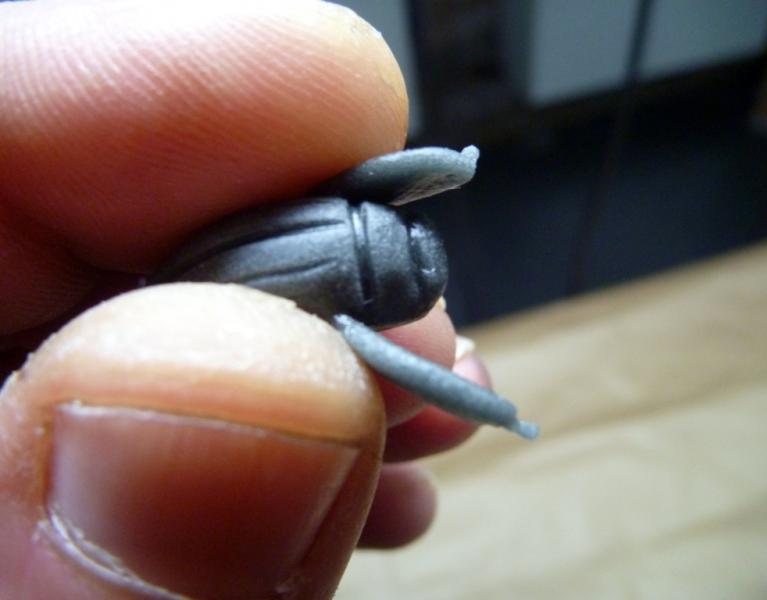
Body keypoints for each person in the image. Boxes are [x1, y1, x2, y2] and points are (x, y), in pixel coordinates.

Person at [0, 1, 490, 597]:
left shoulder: (200, 269)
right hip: (332, 268)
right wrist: (454, 167)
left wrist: (455, 167)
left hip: (337, 267)